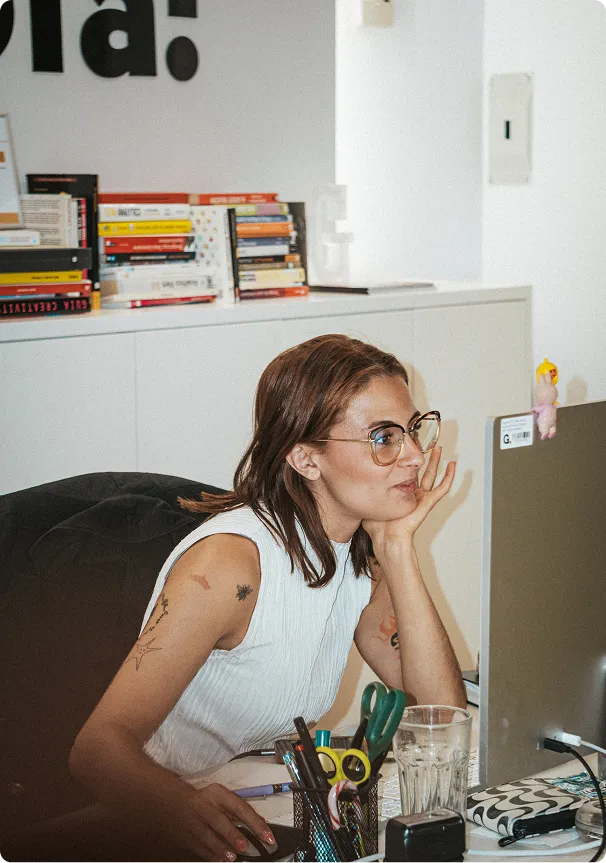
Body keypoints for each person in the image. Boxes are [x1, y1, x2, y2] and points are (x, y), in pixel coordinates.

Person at [67, 333, 466, 862]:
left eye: (413, 430)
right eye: (383, 437)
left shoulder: (357, 551)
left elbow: (440, 717)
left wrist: (397, 547)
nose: (415, 455)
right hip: (155, 821)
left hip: (257, 806)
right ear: (306, 459)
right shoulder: (230, 568)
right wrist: (179, 806)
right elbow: (96, 751)